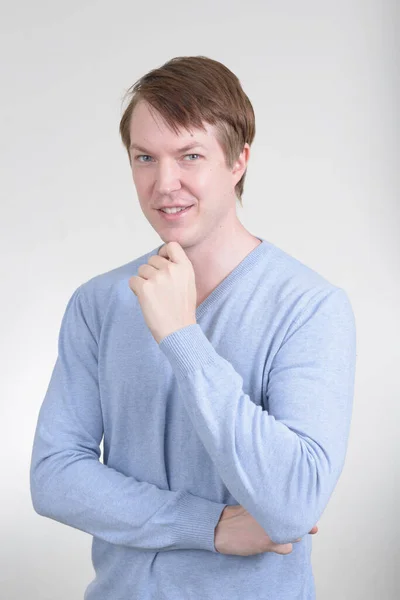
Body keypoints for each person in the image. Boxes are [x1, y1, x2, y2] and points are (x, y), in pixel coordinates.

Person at [30, 55, 357, 600]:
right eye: (144, 157)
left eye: (190, 156)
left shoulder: (310, 306)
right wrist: (207, 527)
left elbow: (293, 503)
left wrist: (183, 338)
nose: (164, 183)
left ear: (238, 161)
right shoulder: (98, 302)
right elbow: (56, 476)